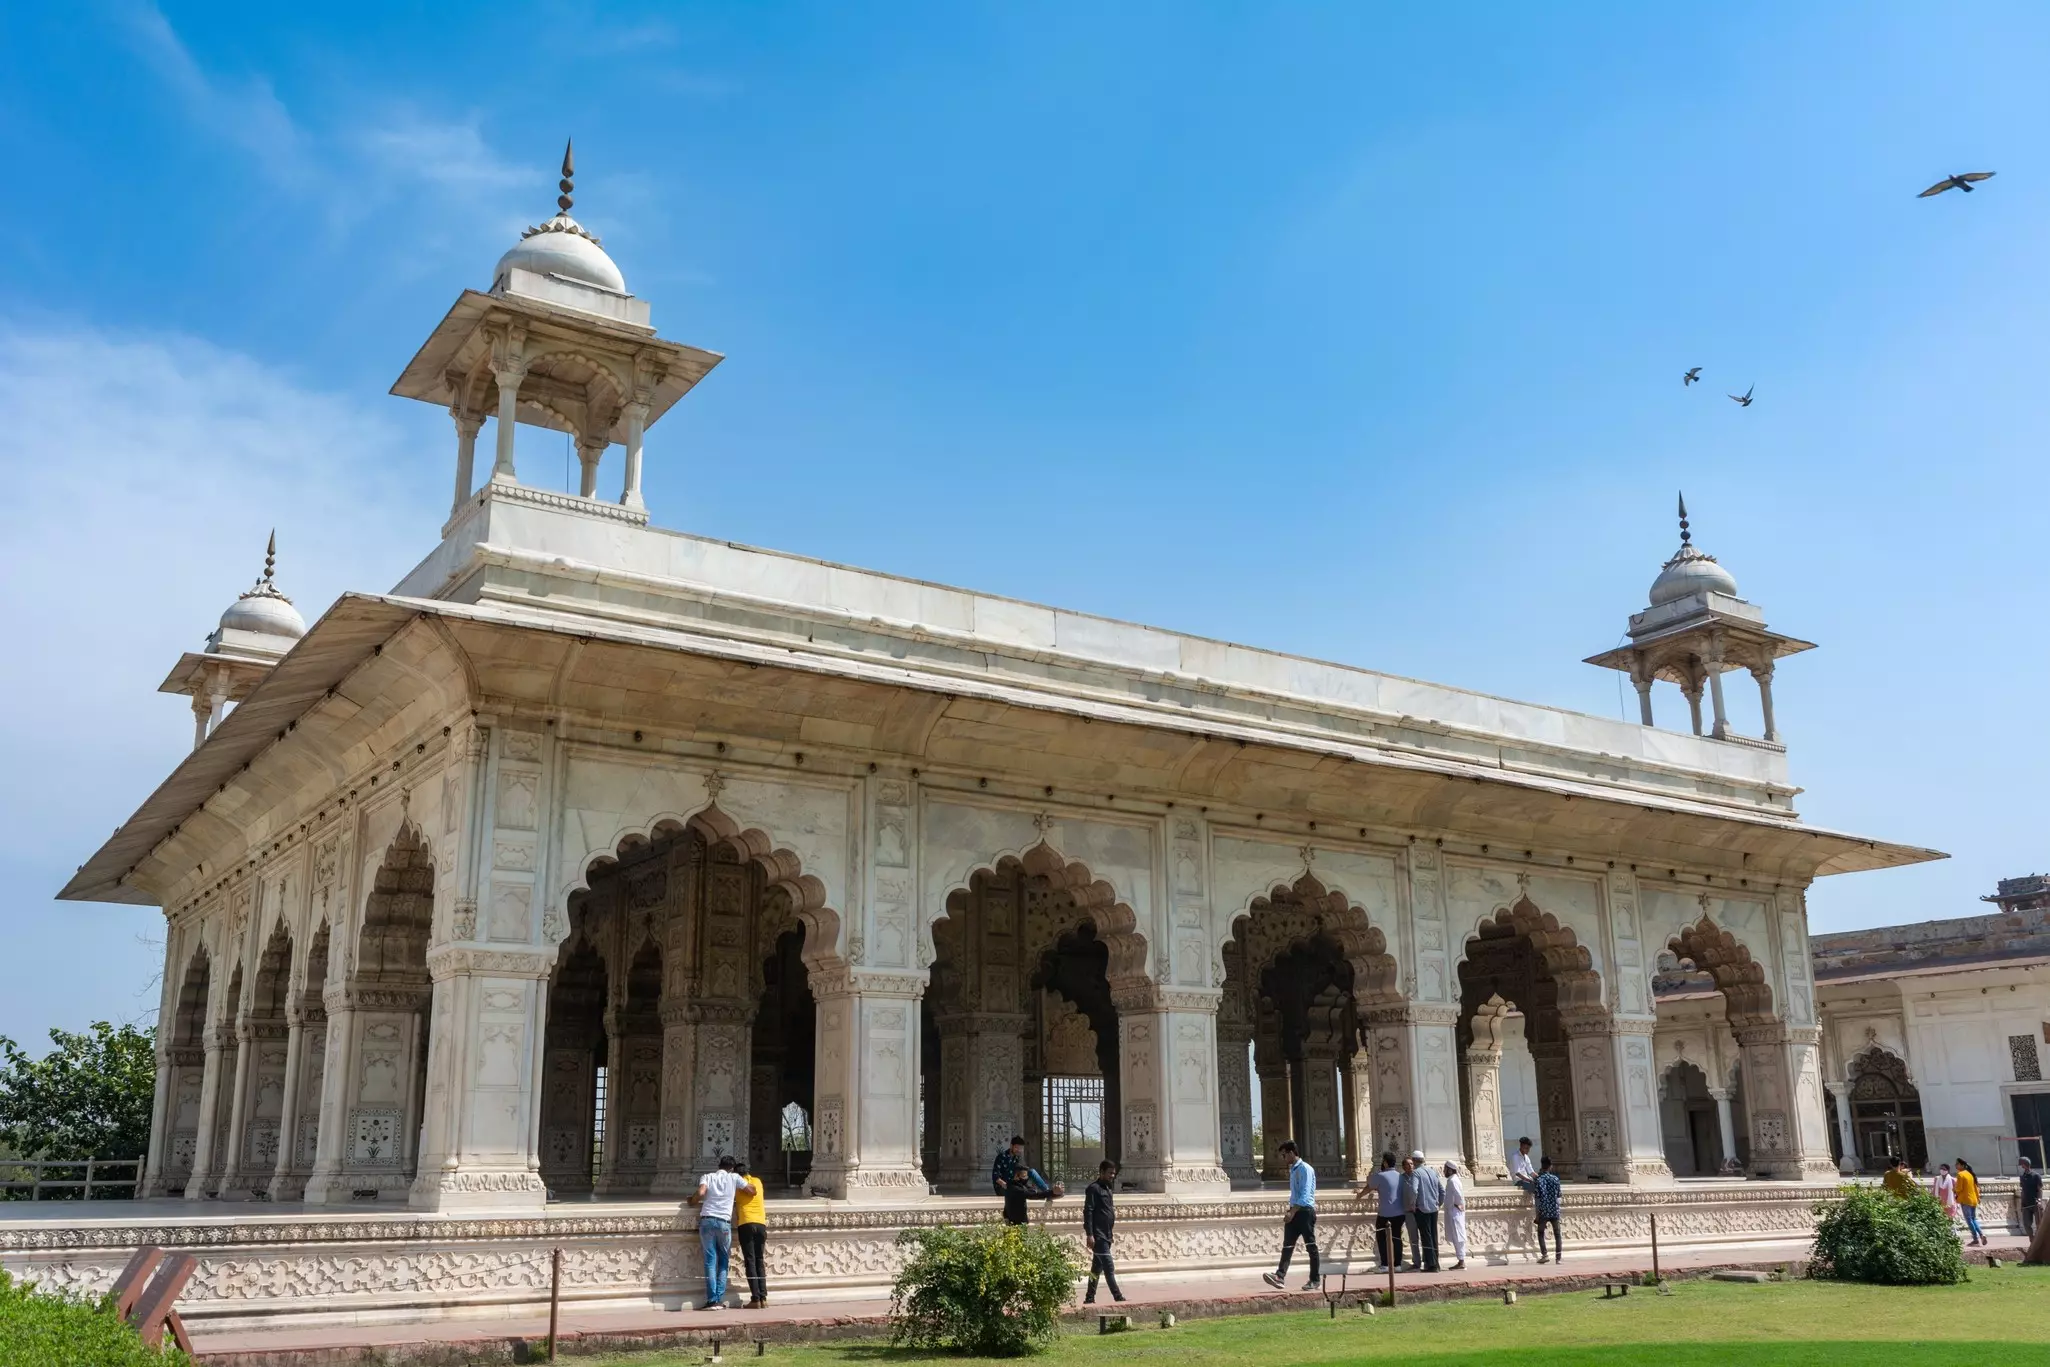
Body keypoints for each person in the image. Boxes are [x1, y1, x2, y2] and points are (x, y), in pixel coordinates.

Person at [1260, 1139, 1320, 1291]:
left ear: (1292, 1153)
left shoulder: (1305, 1169)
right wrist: (1291, 1210)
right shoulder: (1293, 1170)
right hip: (1294, 1210)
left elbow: (1306, 1194)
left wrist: (1293, 1211)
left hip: (1305, 1212)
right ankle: (1280, 1276)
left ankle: (1315, 1279)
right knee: (1287, 1245)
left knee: (1311, 1247)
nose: (1283, 1158)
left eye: (1284, 1155)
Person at [689, 1155, 746, 1310]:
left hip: (707, 1220)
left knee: (710, 1261)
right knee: (723, 1260)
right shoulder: (734, 1177)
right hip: (724, 1224)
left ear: (719, 1165)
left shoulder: (708, 1176)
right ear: (732, 1168)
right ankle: (718, 1299)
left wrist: (691, 1201)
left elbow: (701, 1193)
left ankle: (712, 1299)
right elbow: (750, 1190)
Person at [1082, 1160, 1125, 1304]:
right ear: (1101, 1172)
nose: (1112, 1176)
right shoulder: (1093, 1189)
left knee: (1096, 1268)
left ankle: (1089, 1297)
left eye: (1113, 1173)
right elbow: (1088, 1211)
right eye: (1109, 1173)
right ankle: (1117, 1296)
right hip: (1098, 1235)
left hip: (1106, 1235)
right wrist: (1090, 1234)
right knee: (1108, 1266)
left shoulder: (1107, 1189)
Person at [991, 1135, 1061, 1225]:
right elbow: (996, 1177)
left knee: (1031, 1172)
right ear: (1011, 1146)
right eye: (1017, 1148)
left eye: (1020, 1148)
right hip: (1004, 1188)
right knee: (1029, 1192)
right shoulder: (1001, 1157)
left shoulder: (1016, 1158)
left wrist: (1024, 1180)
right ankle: (1049, 1192)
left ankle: (1047, 1191)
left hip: (1015, 1186)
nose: (1019, 1150)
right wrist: (1007, 1186)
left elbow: (1021, 1172)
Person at [732, 1157, 769, 1309]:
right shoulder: (757, 1181)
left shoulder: (737, 1186)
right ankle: (763, 1298)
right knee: (759, 1260)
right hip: (760, 1223)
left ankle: (755, 1298)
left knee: (750, 1261)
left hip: (746, 1223)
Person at [1363, 1150, 1405, 1271]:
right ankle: (1398, 1265)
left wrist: (1359, 1195)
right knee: (1397, 1238)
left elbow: (1369, 1186)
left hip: (1385, 1214)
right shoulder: (1400, 1176)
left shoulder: (1380, 1176)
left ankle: (1385, 1264)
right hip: (1399, 1213)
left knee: (1381, 1238)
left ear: (1385, 1163)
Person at [1518, 1156, 1563, 1264]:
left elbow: (1537, 1199)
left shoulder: (1539, 1180)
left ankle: (1545, 1255)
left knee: (1541, 1232)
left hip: (1543, 1210)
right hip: (1554, 1210)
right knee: (1557, 1234)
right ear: (1550, 1166)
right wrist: (1558, 1210)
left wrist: (1537, 1214)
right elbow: (1559, 1197)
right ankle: (1558, 1258)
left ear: (1542, 1166)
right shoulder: (1555, 1179)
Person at [1408, 1150, 1444, 1273]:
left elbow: (1414, 1190)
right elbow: (1442, 1190)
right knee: (1433, 1235)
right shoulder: (1433, 1172)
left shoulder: (1416, 1173)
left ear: (1414, 1160)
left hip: (1422, 1209)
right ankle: (1435, 1263)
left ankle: (1431, 1264)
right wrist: (1438, 1203)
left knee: (1426, 1236)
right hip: (1434, 1208)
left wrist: (1412, 1205)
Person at [1442, 1160, 1468, 1271]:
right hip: (1452, 1211)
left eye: (1445, 1169)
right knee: (1456, 1236)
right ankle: (1460, 1260)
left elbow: (1458, 1196)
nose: (1444, 1171)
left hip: (1455, 1212)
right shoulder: (1452, 1180)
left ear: (1449, 1170)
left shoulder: (1453, 1181)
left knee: (1458, 1236)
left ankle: (1462, 1261)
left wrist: (1458, 1205)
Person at [1955, 1159, 1984, 1246]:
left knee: (1969, 1219)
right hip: (1973, 1199)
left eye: (1957, 1164)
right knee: (1973, 1218)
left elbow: (1959, 1188)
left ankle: (1975, 1239)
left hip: (1965, 1200)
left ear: (1962, 1166)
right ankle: (1981, 1234)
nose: (1956, 1166)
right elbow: (1976, 1188)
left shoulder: (1960, 1174)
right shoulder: (1970, 1174)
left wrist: (1953, 1189)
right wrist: (1978, 1198)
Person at [2019, 1157, 2041, 1240]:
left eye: (2023, 1165)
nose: (2022, 1167)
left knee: (2039, 1223)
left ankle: (2039, 1239)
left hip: (2035, 1203)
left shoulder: (2036, 1176)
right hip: (2026, 1204)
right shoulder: (2022, 1177)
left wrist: (2039, 1200)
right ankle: (2031, 1238)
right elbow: (2022, 1191)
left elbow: (2039, 1189)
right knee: (2026, 1224)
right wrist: (2022, 1203)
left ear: (2026, 1165)